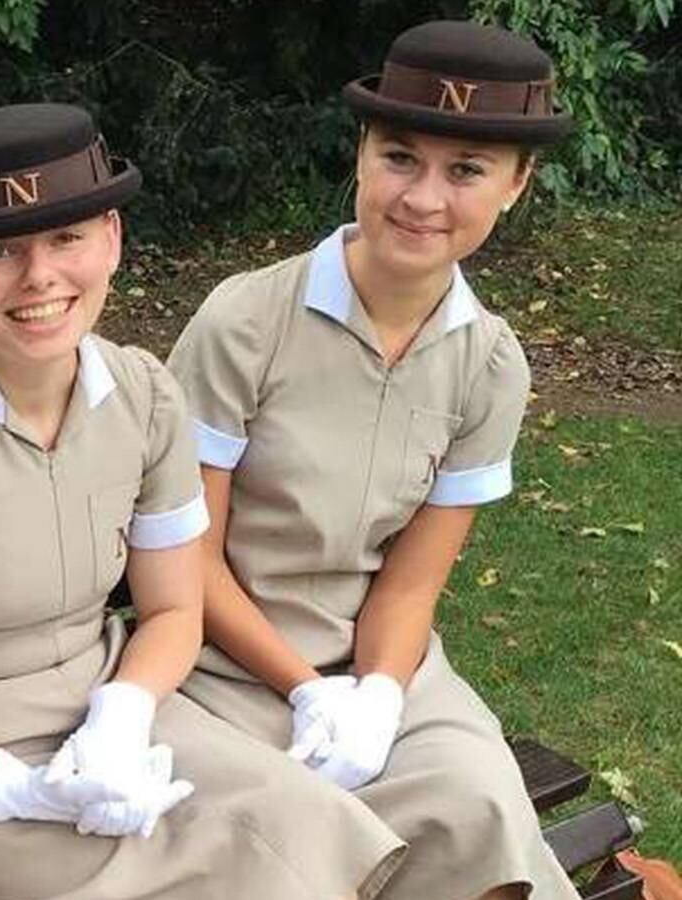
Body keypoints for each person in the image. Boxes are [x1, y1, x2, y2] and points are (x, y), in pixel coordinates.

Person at [0, 102, 405, 900]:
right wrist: (14, 785)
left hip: (112, 706)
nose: (39, 276)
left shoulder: (145, 398)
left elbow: (173, 609)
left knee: (300, 818)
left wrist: (123, 711)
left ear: (113, 240)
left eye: (67, 238)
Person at [166, 20, 578, 900]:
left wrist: (379, 697)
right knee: (292, 846)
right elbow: (186, 560)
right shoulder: (246, 324)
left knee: (481, 808)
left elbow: (409, 587)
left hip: (384, 669)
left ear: (517, 184)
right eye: (399, 157)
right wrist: (306, 693)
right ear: (361, 152)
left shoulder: (492, 365)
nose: (423, 197)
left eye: (466, 171)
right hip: (219, 673)